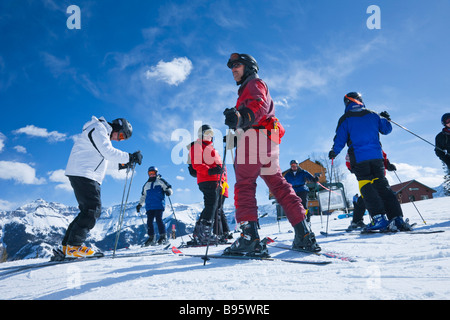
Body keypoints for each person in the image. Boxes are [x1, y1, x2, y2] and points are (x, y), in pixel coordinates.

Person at [223, 53, 320, 256]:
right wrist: (236, 129)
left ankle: (250, 239)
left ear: (249, 67)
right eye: (231, 67)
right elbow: (256, 112)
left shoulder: (254, 84)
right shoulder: (250, 87)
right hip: (267, 140)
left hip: (254, 138)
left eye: (237, 65)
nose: (233, 69)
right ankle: (303, 233)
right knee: (278, 184)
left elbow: (258, 106)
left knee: (244, 184)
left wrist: (240, 118)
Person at [62, 116, 142, 258]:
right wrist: (130, 157)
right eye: (122, 136)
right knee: (93, 209)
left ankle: (67, 247)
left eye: (123, 139)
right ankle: (74, 247)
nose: (119, 140)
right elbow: (108, 152)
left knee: (87, 210)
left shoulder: (100, 132)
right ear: (117, 127)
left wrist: (123, 164)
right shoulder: (99, 129)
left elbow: (105, 160)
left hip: (83, 172)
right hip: (85, 173)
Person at [329, 92, 411, 232]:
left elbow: (340, 140)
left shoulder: (345, 119)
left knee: (367, 188)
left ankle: (379, 219)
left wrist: (334, 152)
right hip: (377, 158)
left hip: (360, 159)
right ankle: (397, 218)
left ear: (347, 103)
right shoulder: (373, 114)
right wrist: (386, 119)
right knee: (383, 186)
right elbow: (386, 130)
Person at [188, 124, 230, 245]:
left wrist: (223, 180)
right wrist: (211, 170)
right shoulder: (197, 146)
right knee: (211, 205)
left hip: (216, 181)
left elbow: (221, 167)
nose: (209, 136)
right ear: (201, 135)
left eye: (211, 134)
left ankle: (199, 232)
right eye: (206, 133)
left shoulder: (212, 149)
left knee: (211, 206)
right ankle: (205, 233)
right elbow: (197, 164)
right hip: (207, 179)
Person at [136, 166, 173, 246]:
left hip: (159, 204)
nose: (151, 175)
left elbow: (169, 188)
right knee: (149, 222)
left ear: (156, 173)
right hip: (149, 206)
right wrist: (140, 204)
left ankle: (163, 237)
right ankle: (151, 238)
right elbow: (143, 196)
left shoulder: (160, 181)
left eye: (153, 173)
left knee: (159, 220)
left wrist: (168, 192)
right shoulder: (146, 185)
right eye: (150, 173)